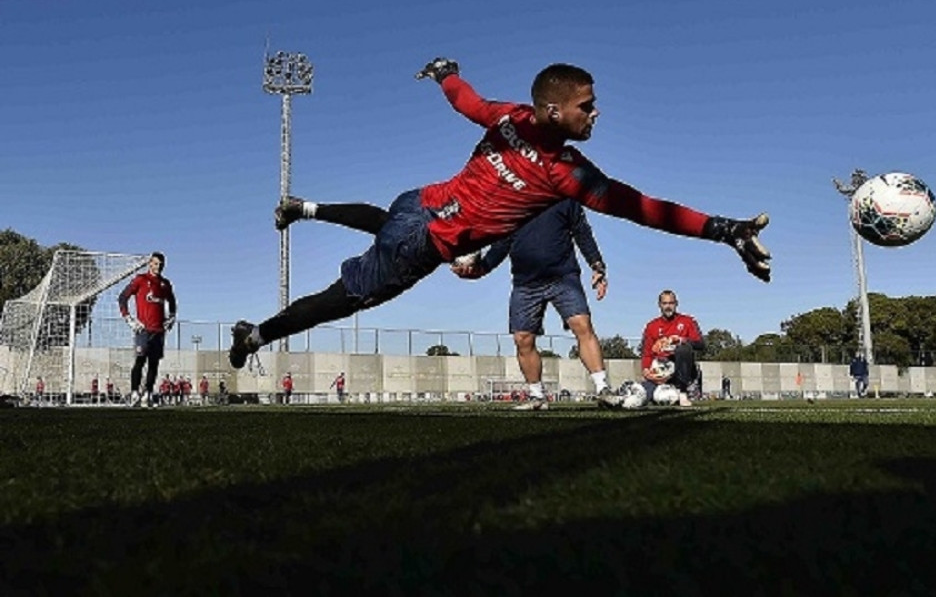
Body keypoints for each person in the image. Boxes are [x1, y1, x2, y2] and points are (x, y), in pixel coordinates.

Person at [229, 58, 771, 411]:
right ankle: (257, 335)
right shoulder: (567, 173)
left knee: (386, 226)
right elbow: (645, 209)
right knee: (340, 299)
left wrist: (446, 73)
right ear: (554, 110)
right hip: (425, 245)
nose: (595, 113)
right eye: (587, 106)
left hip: (417, 202)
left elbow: (467, 102)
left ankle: (306, 209)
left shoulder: (510, 117)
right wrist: (724, 230)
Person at [451, 199, 610, 411]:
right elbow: (500, 247)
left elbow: (582, 232)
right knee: (522, 339)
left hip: (563, 278)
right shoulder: (512, 205)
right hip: (526, 284)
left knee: (582, 325)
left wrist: (597, 265)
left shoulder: (565, 200)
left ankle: (603, 389)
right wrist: (479, 270)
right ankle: (537, 396)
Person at [118, 251, 177, 408]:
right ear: (150, 263)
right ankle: (134, 393)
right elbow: (123, 297)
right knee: (140, 360)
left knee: (154, 363)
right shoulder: (141, 279)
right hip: (143, 329)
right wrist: (129, 318)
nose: (159, 267)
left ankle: (148, 394)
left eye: (161, 264)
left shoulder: (165, 284)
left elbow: (172, 301)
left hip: (159, 330)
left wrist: (172, 317)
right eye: (156, 263)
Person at [640, 290, 705, 407]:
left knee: (683, 348)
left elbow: (700, 344)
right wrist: (646, 370)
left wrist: (680, 339)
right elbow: (647, 353)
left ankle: (683, 391)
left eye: (671, 303)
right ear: (659, 305)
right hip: (661, 371)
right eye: (664, 303)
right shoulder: (651, 326)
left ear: (676, 304)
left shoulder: (688, 321)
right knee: (642, 395)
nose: (668, 306)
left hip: (681, 370)